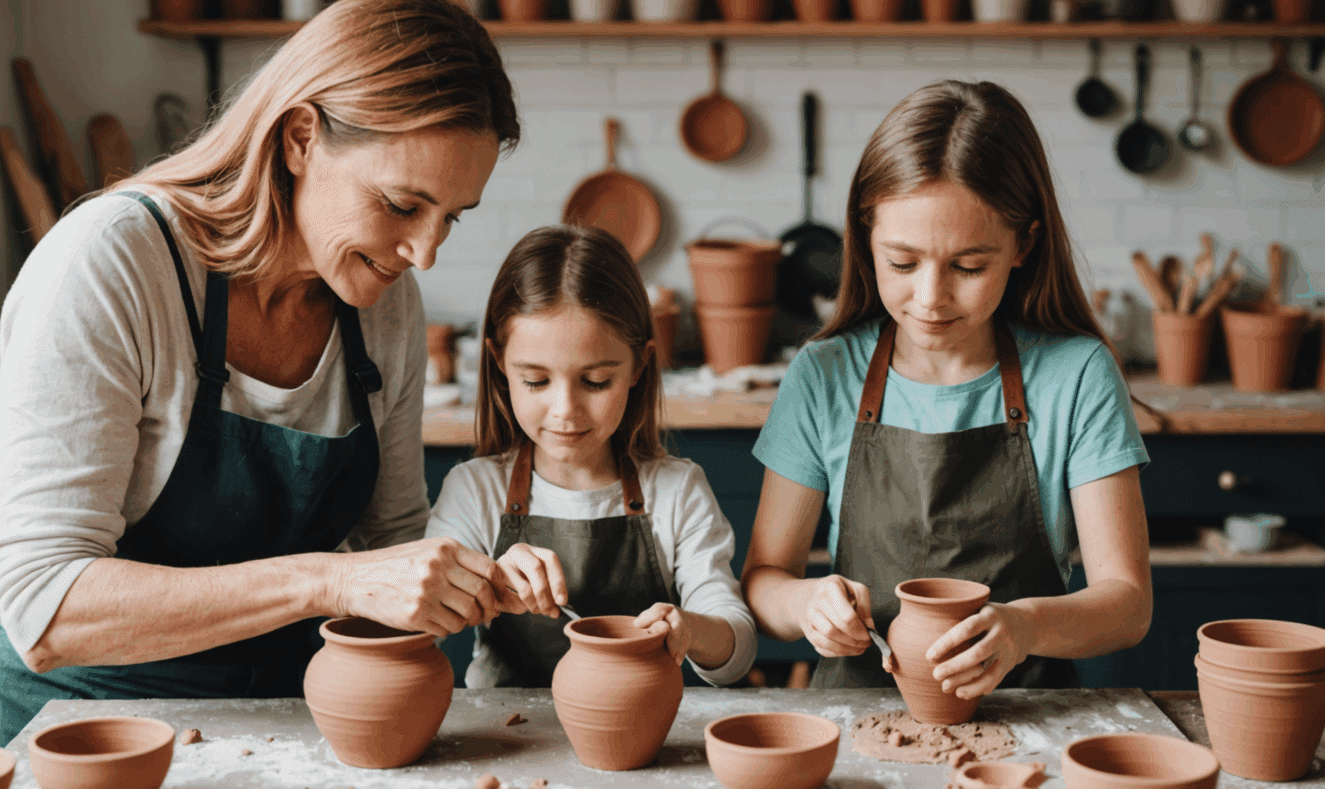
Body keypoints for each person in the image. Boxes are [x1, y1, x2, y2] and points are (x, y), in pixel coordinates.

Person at [0, 0, 523, 746]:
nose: (425, 253)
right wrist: (328, 580)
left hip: (270, 729)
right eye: (400, 204)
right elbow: (44, 607)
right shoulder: (109, 264)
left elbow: (393, 543)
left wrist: (473, 580)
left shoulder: (385, 307)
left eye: (452, 216)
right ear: (301, 138)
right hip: (73, 731)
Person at [742, 80, 1152, 694]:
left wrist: (1026, 627)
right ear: (865, 236)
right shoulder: (825, 374)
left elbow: (1128, 604)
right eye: (902, 263)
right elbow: (763, 582)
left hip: (1029, 717)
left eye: (969, 266)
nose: (931, 298)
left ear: (1024, 244)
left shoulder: (1076, 375)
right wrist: (806, 605)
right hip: (858, 715)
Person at [425, 226, 757, 688]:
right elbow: (416, 627)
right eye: (536, 381)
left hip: (641, 722)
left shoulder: (676, 490)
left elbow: (736, 650)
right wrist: (486, 581)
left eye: (596, 381)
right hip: (509, 727)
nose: (565, 410)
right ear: (499, 363)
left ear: (639, 365)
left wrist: (691, 628)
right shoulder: (475, 490)